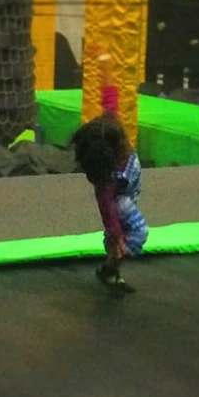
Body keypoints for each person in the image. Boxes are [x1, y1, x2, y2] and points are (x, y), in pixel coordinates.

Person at [72, 53, 148, 294]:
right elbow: (107, 209)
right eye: (124, 149)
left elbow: (109, 100)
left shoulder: (111, 130)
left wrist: (106, 71)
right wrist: (115, 235)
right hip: (121, 200)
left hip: (130, 191)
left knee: (122, 237)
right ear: (113, 158)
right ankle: (112, 259)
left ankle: (110, 270)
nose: (128, 146)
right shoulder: (107, 182)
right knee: (137, 231)